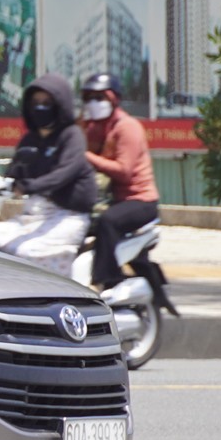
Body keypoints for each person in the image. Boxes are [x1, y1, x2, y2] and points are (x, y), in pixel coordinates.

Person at [0, 73, 99, 273]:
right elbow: (14, 171)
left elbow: (65, 173)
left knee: (26, 250)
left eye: (47, 102)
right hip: (34, 214)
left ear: (60, 104)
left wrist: (30, 186)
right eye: (35, 102)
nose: (40, 108)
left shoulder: (71, 136)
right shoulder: (30, 139)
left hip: (67, 215)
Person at [79, 71, 160, 288]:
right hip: (114, 199)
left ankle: (106, 279)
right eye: (88, 98)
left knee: (108, 221)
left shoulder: (127, 127)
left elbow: (123, 170)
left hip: (139, 200)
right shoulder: (94, 128)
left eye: (100, 98)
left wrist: (86, 156)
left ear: (113, 99)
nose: (93, 103)